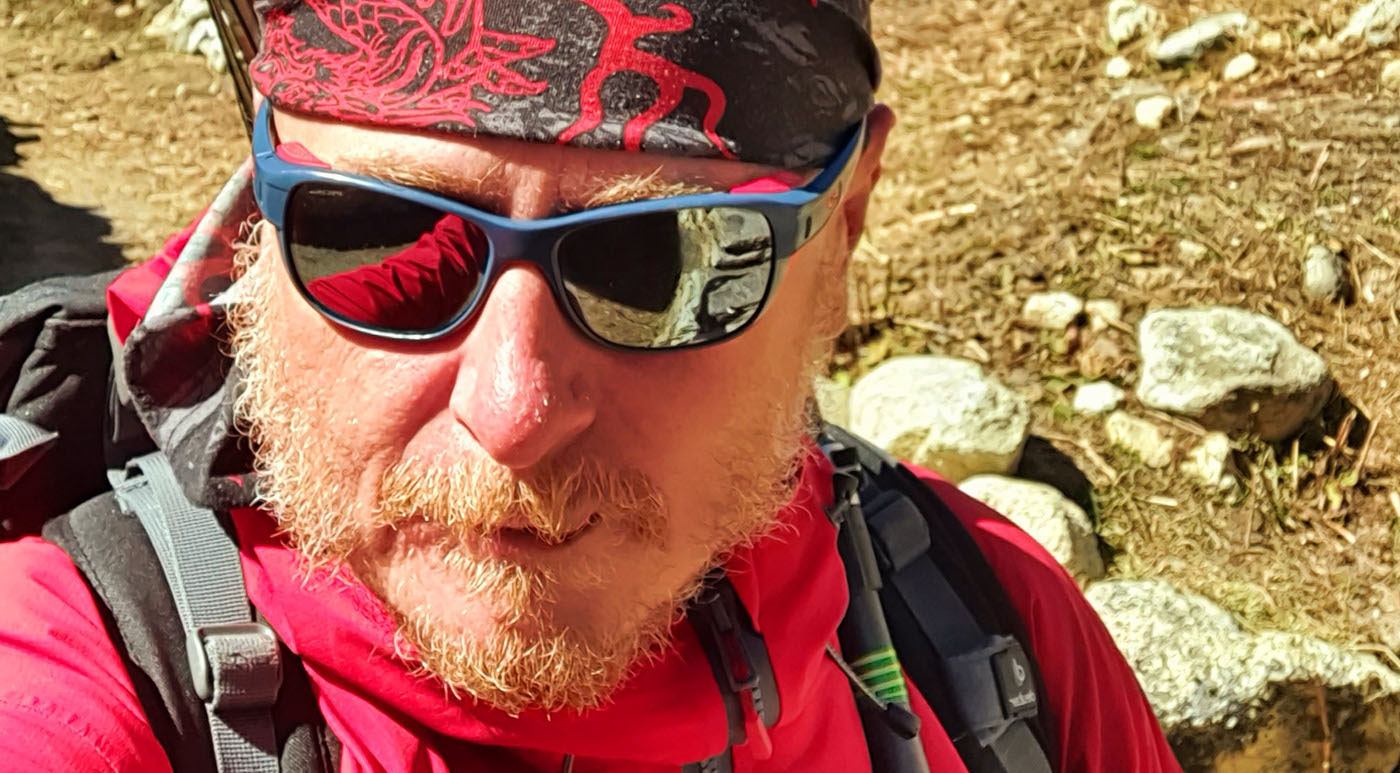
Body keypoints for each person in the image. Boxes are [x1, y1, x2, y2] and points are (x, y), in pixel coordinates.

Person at [0, 0, 1184, 771]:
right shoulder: (66, 690)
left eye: (662, 261)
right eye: (373, 235)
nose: (511, 411)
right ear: (258, 221)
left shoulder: (998, 622)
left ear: (845, 227)